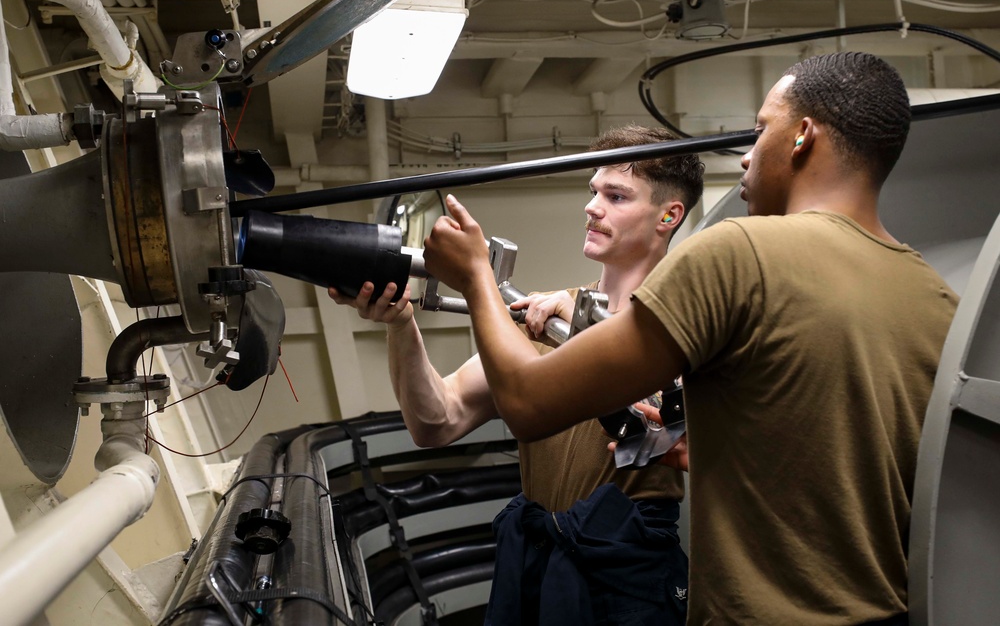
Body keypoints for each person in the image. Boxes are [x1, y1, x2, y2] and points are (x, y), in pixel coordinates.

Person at [421, 52, 959, 626]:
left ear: (802, 136)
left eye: (760, 131)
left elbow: (527, 404)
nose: (749, 155)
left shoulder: (739, 252)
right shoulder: (939, 300)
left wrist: (477, 277)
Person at [329, 125, 704, 625]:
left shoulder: (688, 324)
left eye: (616, 196)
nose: (592, 207)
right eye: (594, 191)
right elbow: (437, 421)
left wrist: (559, 320)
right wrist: (401, 324)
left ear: (669, 215)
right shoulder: (541, 316)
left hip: (625, 574)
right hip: (537, 559)